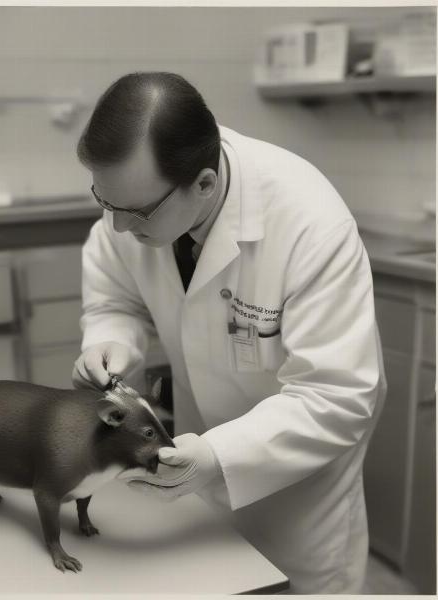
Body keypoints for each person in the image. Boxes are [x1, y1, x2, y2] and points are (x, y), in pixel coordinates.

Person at [71, 71, 386, 594]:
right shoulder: (136, 201)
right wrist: (112, 340)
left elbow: (335, 395)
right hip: (197, 467)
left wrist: (220, 456)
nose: (119, 227)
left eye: (135, 212)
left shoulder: (310, 224)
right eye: (104, 203)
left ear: (205, 183)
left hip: (298, 488)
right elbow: (114, 298)